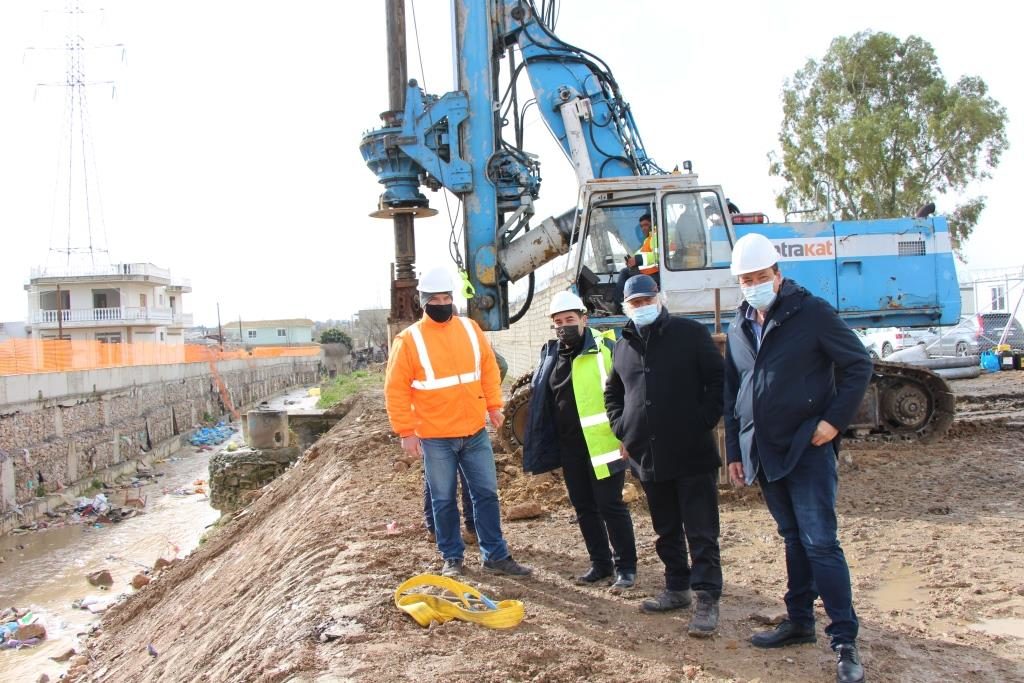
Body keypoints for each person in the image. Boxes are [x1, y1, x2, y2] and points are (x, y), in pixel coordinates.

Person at [723, 233, 872, 683]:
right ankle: (800, 621)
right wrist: (734, 450)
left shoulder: (811, 314)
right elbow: (734, 391)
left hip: (807, 448)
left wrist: (833, 422)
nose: (753, 285)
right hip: (763, 453)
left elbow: (857, 364)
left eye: (759, 277)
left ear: (777, 275)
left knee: (821, 542)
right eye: (745, 279)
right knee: (792, 538)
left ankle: (844, 640)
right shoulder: (739, 324)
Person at [385, 266, 532, 578]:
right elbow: (396, 389)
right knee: (442, 499)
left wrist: (494, 406)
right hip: (435, 437)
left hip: (474, 432)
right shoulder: (409, 340)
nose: (443, 303)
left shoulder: (470, 329)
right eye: (436, 298)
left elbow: (488, 369)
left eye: (447, 297)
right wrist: (406, 432)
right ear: (423, 302)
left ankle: (496, 555)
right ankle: (452, 557)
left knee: (487, 495)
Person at [604, 274, 725, 638]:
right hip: (649, 456)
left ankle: (706, 597)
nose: (642, 307)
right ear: (626, 308)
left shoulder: (690, 334)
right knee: (665, 528)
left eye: (647, 300)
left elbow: (718, 382)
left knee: (701, 530)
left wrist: (703, 420)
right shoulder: (622, 346)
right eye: (635, 303)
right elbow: (613, 392)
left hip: (691, 453)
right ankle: (676, 588)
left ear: (660, 298)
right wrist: (623, 428)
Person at [523, 290, 638, 590]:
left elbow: (629, 393)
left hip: (604, 443)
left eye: (570, 319)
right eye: (558, 321)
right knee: (583, 506)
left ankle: (626, 567)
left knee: (610, 504)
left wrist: (627, 434)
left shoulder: (607, 347)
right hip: (570, 446)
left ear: (584, 319)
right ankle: (600, 564)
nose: (564, 326)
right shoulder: (551, 355)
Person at [614, 213, 660, 310]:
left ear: (653, 224)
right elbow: (640, 253)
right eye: (642, 226)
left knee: (624, 273)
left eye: (646, 225)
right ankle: (621, 303)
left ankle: (619, 305)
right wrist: (631, 260)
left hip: (655, 274)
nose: (643, 228)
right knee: (626, 271)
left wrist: (638, 260)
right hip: (647, 272)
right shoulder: (648, 239)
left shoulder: (657, 236)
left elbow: (659, 255)